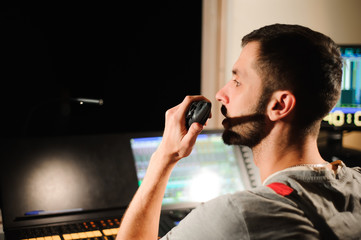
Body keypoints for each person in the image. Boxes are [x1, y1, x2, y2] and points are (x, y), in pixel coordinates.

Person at [116, 24, 361, 239]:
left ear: (279, 105)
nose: (221, 94)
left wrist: (164, 157)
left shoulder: (240, 214)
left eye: (237, 81)